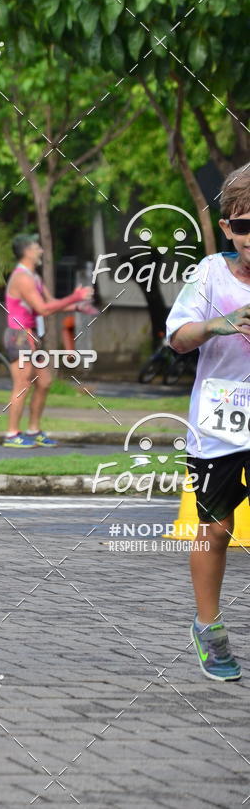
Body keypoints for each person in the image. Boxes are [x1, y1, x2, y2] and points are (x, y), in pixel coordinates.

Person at [167, 165, 250, 682]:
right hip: (219, 422)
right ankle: (209, 626)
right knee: (215, 530)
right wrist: (220, 324)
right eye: (245, 226)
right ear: (227, 228)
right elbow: (177, 337)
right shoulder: (210, 275)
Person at [3, 234, 92, 448]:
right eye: (36, 247)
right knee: (23, 385)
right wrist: (75, 297)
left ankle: (33, 430)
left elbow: (51, 303)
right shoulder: (22, 278)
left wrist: (77, 306)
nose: (41, 250)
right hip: (20, 337)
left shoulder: (34, 277)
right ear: (27, 251)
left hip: (33, 336)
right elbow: (43, 309)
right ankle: (12, 434)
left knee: (44, 382)